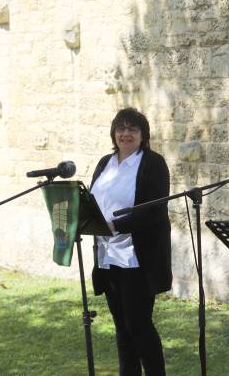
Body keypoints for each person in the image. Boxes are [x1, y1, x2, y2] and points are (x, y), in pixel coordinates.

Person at [90, 108, 171, 376]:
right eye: (121, 128)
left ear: (143, 135)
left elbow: (153, 210)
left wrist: (117, 225)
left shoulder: (153, 163)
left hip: (137, 258)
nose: (126, 134)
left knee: (139, 325)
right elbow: (93, 201)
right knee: (122, 328)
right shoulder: (105, 162)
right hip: (107, 256)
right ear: (114, 133)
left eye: (132, 129)